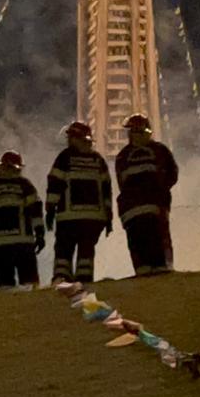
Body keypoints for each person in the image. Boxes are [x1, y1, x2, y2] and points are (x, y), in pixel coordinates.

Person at [46, 121, 112, 285]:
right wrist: (108, 216)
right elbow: (106, 190)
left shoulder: (65, 158)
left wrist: (50, 209)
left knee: (64, 248)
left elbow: (55, 184)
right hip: (93, 218)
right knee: (86, 250)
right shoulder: (98, 160)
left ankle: (62, 278)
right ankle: (84, 279)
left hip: (68, 217)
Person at [115, 114, 178, 277]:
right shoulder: (159, 150)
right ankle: (159, 268)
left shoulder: (123, 156)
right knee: (155, 238)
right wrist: (161, 192)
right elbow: (172, 175)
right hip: (148, 206)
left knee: (141, 240)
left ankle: (148, 270)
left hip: (136, 208)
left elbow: (121, 182)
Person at [0, 152, 45, 290]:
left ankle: (7, 303)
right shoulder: (25, 185)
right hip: (23, 243)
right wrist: (40, 234)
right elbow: (36, 212)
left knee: (5, 287)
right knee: (30, 286)